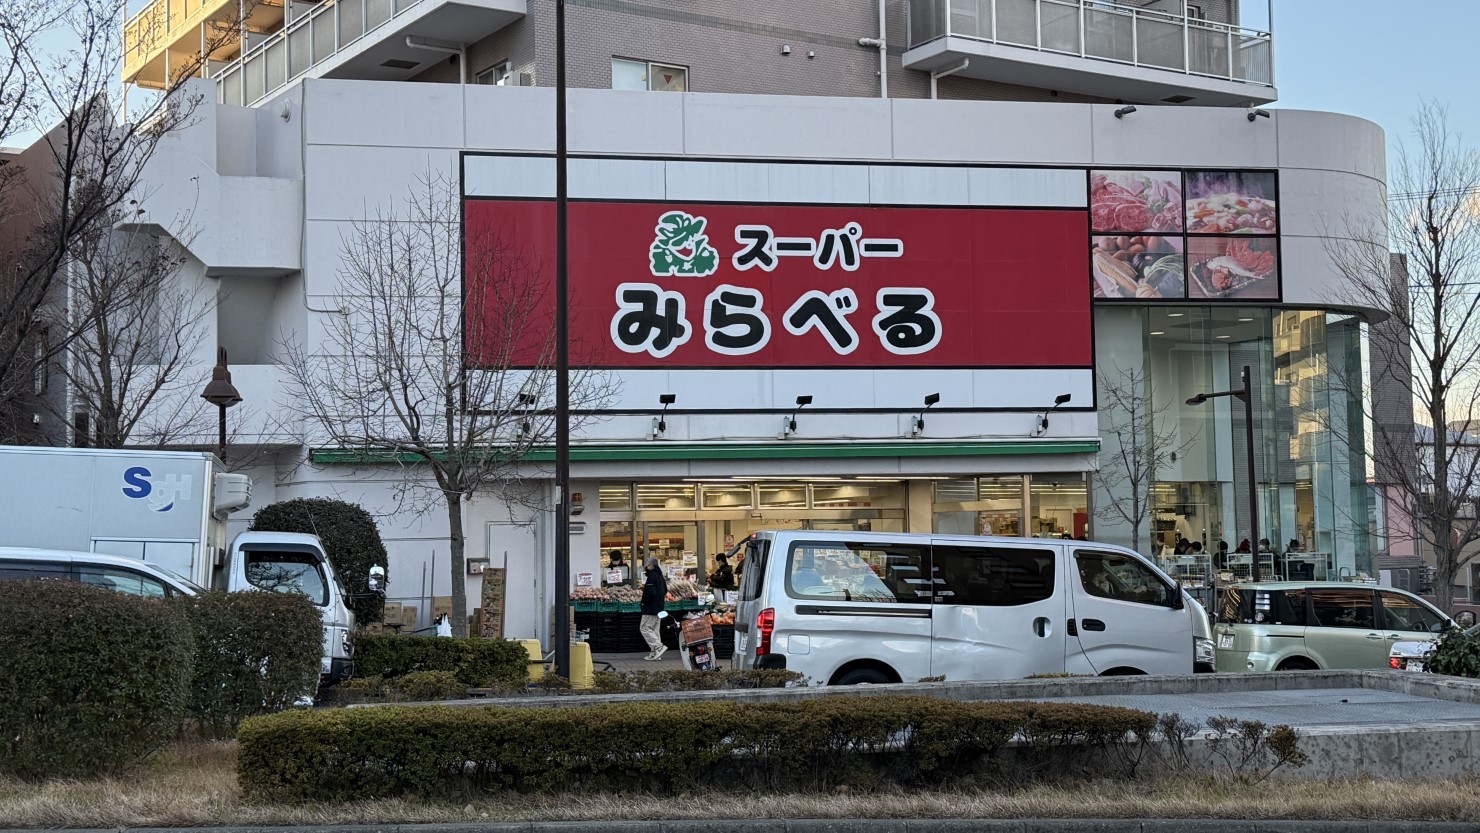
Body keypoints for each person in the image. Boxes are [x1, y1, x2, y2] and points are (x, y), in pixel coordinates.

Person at [639, 556, 668, 660]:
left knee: (645, 628)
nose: (645, 567)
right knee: (655, 629)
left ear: (651, 566)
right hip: (659, 607)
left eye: (646, 565)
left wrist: (644, 602)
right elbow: (665, 590)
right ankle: (656, 653)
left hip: (651, 608)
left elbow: (650, 593)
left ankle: (658, 647)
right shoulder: (660, 577)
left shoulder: (652, 576)